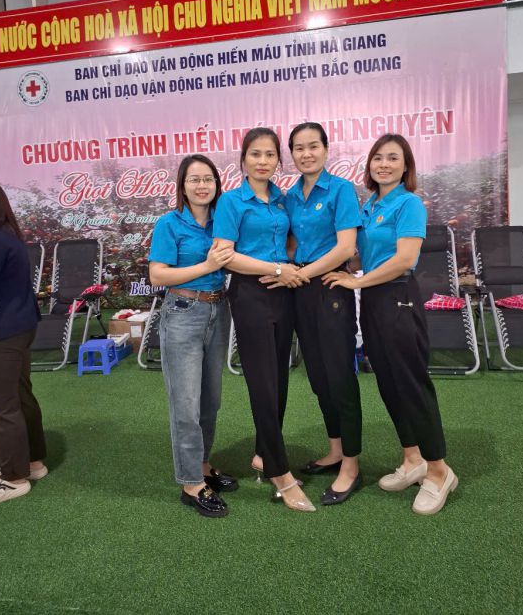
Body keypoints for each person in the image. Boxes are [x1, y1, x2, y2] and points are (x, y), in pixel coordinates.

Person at [323, 134, 458, 515]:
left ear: (406, 166)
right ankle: (412, 458)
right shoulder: (369, 205)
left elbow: (403, 259)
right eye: (378, 158)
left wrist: (357, 281)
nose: (384, 164)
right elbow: (362, 254)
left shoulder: (408, 203)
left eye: (393, 158)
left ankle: (438, 471)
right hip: (373, 301)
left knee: (412, 386)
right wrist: (340, 268)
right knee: (388, 383)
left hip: (398, 296)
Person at [213, 127, 316, 513]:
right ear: (243, 160)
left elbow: (289, 242)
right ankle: (279, 472)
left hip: (283, 293)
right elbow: (225, 255)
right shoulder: (231, 202)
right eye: (255, 154)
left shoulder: (282, 199)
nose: (262, 161)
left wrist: (291, 266)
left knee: (279, 380)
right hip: (251, 295)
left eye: (270, 154)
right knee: (262, 383)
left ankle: (261, 453)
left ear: (278, 160)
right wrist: (275, 269)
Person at [260, 123, 363, 506]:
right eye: (299, 148)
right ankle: (335, 450)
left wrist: (302, 273)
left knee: (340, 378)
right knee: (319, 378)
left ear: (325, 149)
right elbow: (288, 245)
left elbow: (346, 248)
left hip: (329, 288)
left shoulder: (340, 190)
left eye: (313, 146)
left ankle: (351, 464)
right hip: (300, 292)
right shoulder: (289, 197)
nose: (306, 154)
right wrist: (278, 268)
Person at [149, 155, 238, 518]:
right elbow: (157, 275)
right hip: (183, 312)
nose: (202, 185)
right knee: (186, 403)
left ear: (217, 184)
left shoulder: (223, 222)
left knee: (210, 401)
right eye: (194, 179)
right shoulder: (169, 224)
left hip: (218, 309)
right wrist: (207, 265)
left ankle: (201, 465)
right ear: (182, 187)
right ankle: (190, 484)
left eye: (208, 179)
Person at [0, 179, 47, 508]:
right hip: (16, 327)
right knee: (19, 397)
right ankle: (32, 462)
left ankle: (13, 478)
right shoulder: (6, 235)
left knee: (1, 406)